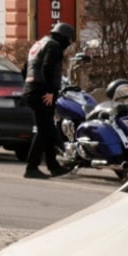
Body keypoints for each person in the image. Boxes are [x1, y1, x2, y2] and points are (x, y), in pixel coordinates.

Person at [22, 22, 75, 179]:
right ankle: (32, 168)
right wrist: (50, 91)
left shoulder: (38, 44)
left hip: (30, 90)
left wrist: (30, 86)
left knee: (46, 129)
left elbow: (24, 70)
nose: (69, 44)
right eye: (70, 41)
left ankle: (53, 166)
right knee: (45, 130)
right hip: (42, 93)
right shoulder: (54, 46)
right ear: (64, 37)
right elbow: (47, 68)